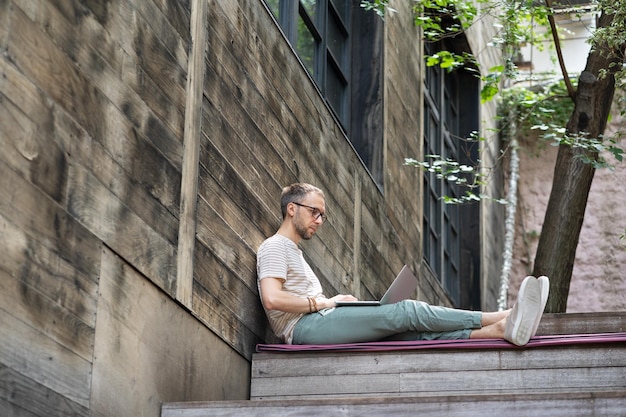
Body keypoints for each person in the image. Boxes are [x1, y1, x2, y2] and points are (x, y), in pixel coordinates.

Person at [257, 183, 549, 346]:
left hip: (316, 321)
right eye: (314, 212)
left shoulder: (294, 252)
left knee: (408, 332)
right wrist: (324, 303)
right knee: (407, 310)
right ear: (291, 209)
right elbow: (272, 299)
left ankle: (499, 331)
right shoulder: (274, 246)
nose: (319, 221)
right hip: (304, 328)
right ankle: (503, 314)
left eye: (323, 215)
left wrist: (334, 304)